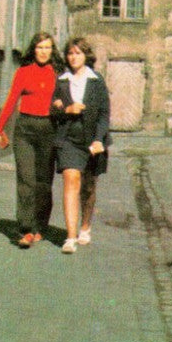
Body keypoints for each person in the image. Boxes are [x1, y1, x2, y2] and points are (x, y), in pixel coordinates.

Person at [0, 31, 63, 248]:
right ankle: (26, 229)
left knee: (43, 182)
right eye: (40, 47)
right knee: (26, 180)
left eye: (47, 48)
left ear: (52, 51)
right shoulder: (23, 72)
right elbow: (11, 100)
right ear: (34, 49)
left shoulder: (58, 73)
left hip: (49, 129)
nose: (43, 52)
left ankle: (40, 225)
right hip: (25, 130)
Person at [52, 37, 111, 254]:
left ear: (86, 56)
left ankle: (85, 226)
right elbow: (51, 108)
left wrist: (98, 139)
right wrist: (66, 109)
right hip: (68, 139)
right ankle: (70, 237)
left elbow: (104, 114)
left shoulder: (97, 81)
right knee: (71, 178)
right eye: (70, 53)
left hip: (92, 140)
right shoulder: (61, 80)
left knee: (88, 187)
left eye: (77, 53)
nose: (73, 57)